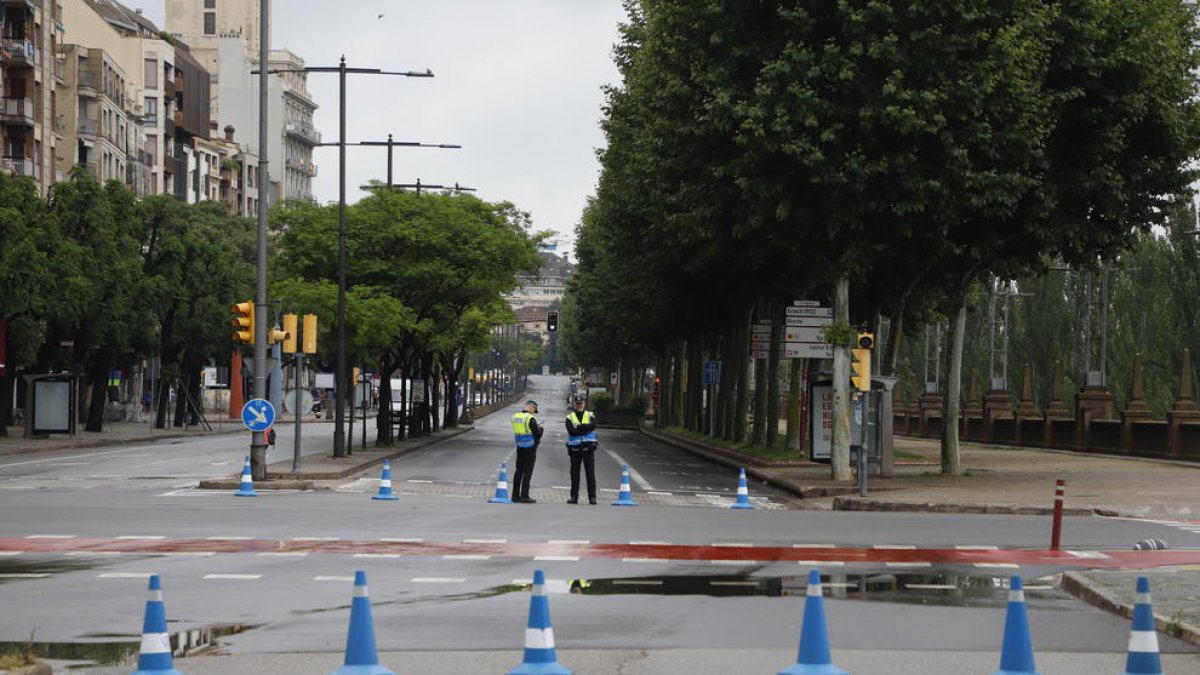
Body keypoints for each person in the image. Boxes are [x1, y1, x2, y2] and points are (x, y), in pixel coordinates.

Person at [564, 395, 598, 504]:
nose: (579, 405)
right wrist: (584, 429)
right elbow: (571, 431)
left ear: (584, 404)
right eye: (577, 404)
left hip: (588, 448)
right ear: (574, 404)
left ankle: (592, 497)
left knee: (590, 474)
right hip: (575, 449)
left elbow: (593, 426)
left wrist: (579, 427)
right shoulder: (570, 417)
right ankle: (574, 497)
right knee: (574, 475)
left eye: (581, 403)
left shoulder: (590, 415)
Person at [510, 400, 544, 503]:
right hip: (530, 447)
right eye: (534, 410)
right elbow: (537, 434)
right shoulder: (531, 418)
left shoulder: (515, 416)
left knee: (519, 471)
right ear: (532, 408)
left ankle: (515, 496)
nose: (534, 412)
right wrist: (541, 428)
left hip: (519, 446)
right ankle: (525, 496)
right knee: (527, 472)